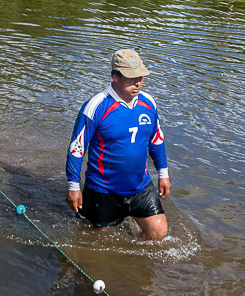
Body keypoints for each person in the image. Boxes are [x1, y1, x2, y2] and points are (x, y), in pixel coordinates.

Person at [65, 49, 171, 241]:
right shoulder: (96, 106)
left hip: (140, 186)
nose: (137, 82)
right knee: (97, 240)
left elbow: (156, 140)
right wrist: (73, 186)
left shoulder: (148, 103)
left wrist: (163, 174)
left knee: (158, 232)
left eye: (140, 77)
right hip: (104, 189)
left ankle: (132, 257)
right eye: (131, 78)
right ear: (115, 77)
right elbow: (77, 149)